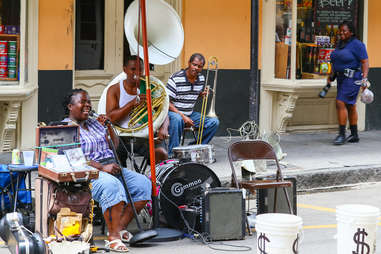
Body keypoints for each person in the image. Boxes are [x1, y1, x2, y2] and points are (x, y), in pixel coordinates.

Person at [62, 88, 151, 252]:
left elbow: (114, 146)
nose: (87, 105)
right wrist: (102, 167)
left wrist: (109, 127)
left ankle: (120, 228)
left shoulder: (95, 124)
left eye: (89, 101)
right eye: (83, 101)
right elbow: (74, 158)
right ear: (70, 106)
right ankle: (113, 238)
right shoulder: (66, 128)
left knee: (143, 184)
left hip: (111, 166)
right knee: (111, 185)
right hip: (89, 172)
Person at [106, 55, 169, 165]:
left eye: (140, 69)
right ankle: (123, 180)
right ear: (124, 69)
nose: (137, 73)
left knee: (161, 153)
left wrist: (163, 128)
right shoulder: (114, 89)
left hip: (146, 135)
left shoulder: (150, 87)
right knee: (114, 158)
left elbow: (163, 110)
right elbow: (111, 118)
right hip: (122, 136)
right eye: (133, 69)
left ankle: (154, 181)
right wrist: (132, 104)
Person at [166, 53, 219, 155]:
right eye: (194, 64)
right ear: (189, 63)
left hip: (190, 114)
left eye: (199, 66)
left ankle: (192, 149)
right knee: (177, 119)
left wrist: (201, 94)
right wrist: (182, 116)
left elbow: (190, 93)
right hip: (174, 113)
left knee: (214, 122)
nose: (196, 68)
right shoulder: (175, 78)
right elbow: (167, 102)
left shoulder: (201, 79)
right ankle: (173, 154)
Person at [328, 21, 369, 145]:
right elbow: (336, 61)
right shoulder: (340, 44)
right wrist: (331, 76)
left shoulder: (357, 45)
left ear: (351, 32)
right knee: (350, 105)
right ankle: (355, 134)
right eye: (340, 30)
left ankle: (341, 135)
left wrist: (364, 79)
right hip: (341, 78)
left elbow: (365, 62)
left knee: (340, 102)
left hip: (353, 79)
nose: (341, 33)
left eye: (344, 31)